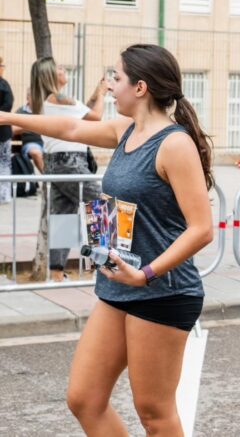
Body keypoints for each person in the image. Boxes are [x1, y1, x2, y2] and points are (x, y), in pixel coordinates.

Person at [0, 44, 214, 435]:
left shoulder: (174, 144)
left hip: (161, 291)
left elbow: (201, 228)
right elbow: (69, 129)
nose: (110, 85)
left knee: (154, 413)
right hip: (117, 285)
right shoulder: (125, 131)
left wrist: (146, 273)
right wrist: (7, 117)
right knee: (84, 398)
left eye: (116, 77)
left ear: (140, 87)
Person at [30, 60, 107, 281]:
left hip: (55, 163)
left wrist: (96, 93)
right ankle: (101, 266)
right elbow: (95, 117)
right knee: (100, 205)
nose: (64, 70)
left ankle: (56, 273)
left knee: (64, 217)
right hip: (70, 162)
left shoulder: (47, 101)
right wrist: (103, 94)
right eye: (59, 68)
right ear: (49, 76)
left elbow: (83, 112)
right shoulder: (60, 98)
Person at [12, 89, 45, 173]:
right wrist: (28, 127)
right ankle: (47, 177)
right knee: (36, 153)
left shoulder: (45, 110)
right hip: (31, 143)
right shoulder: (20, 112)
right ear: (27, 97)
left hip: (47, 143)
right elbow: (12, 129)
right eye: (33, 96)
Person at [0, 56, 13, 204]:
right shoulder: (4, 85)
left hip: (3, 133)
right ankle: (3, 196)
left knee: (3, 163)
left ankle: (3, 195)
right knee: (4, 163)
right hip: (3, 132)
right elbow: (8, 105)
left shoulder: (4, 85)